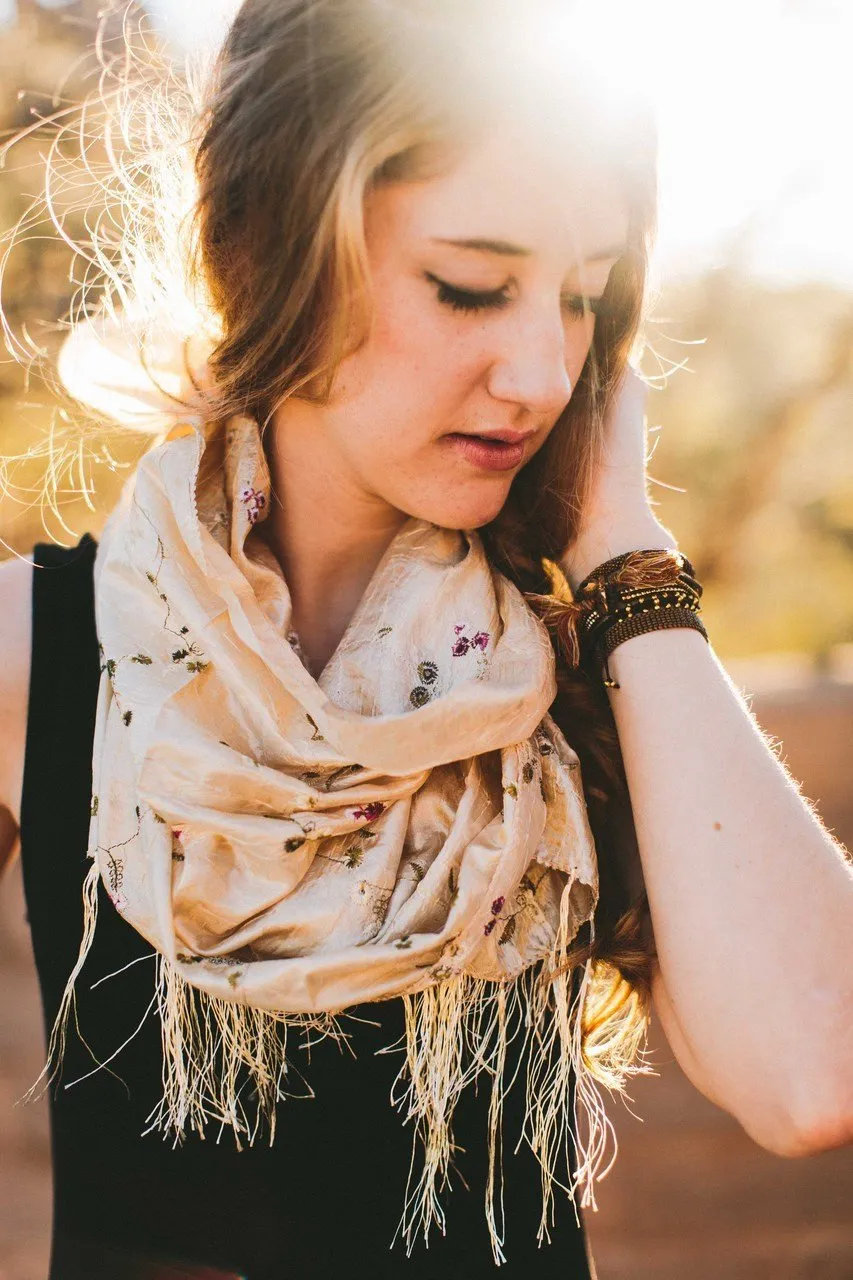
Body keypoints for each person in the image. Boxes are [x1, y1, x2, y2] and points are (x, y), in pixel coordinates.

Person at [1, 1, 851, 1277]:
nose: (543, 372)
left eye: (580, 297)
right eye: (469, 286)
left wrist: (624, 551)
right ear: (263, 246)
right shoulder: (44, 651)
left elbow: (811, 1070)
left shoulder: (582, 681)